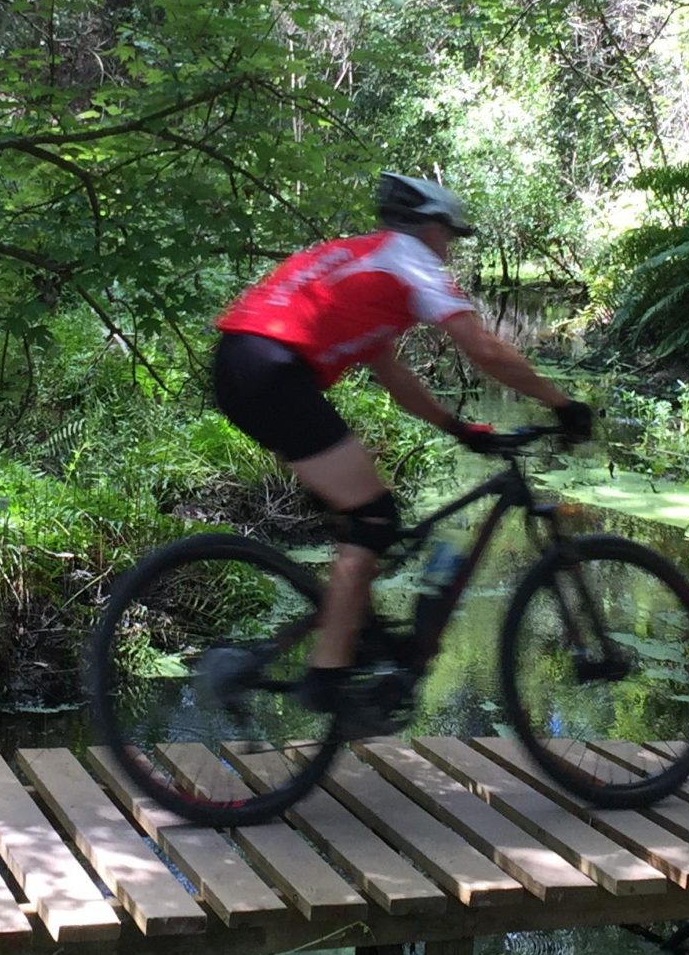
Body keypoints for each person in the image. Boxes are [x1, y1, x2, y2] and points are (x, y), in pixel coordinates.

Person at [209, 171, 593, 719]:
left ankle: (357, 646)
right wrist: (562, 404)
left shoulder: (366, 262)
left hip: (245, 365)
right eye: (448, 234)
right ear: (427, 226)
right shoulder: (410, 258)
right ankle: (326, 676)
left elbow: (392, 374)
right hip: (271, 370)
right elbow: (482, 348)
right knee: (375, 519)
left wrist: (458, 427)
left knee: (362, 524)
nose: (449, 247)